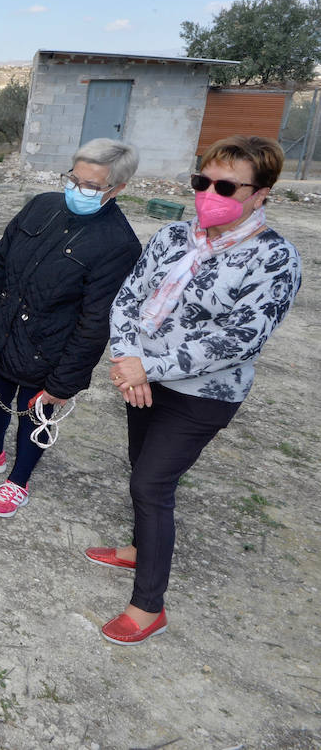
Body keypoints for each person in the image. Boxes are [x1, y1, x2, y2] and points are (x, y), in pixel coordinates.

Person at [90, 135, 301, 644]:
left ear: (261, 192)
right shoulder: (172, 237)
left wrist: (149, 366)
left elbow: (240, 338)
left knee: (152, 484)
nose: (209, 191)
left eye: (225, 185)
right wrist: (125, 358)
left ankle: (148, 606)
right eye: (201, 181)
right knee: (139, 465)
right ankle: (141, 547)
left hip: (204, 394)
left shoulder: (275, 258)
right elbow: (128, 299)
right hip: (140, 375)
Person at [0, 138, 142, 517]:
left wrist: (64, 383)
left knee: (35, 414)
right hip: (5, 333)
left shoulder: (119, 244)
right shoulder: (41, 206)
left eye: (90, 185)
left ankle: (18, 482)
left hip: (51, 349)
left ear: (118, 189)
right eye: (73, 177)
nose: (76, 189)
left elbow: (95, 322)